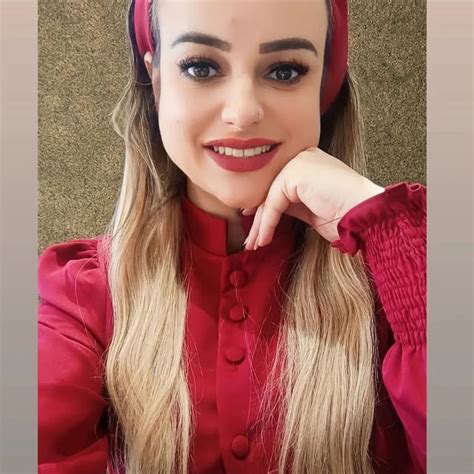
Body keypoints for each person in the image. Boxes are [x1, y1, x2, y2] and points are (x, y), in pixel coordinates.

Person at [38, 0, 426, 472]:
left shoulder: (399, 290)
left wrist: (384, 223)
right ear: (156, 81)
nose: (242, 113)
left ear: (324, 89)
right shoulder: (83, 299)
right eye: (201, 67)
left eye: (285, 71)